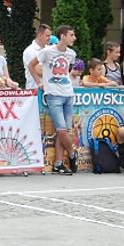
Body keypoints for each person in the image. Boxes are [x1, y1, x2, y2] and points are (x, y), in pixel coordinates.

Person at [28, 24, 79, 175]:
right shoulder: (47, 51)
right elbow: (31, 65)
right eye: (71, 35)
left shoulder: (71, 54)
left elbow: (66, 72)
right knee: (62, 129)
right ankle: (72, 153)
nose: (73, 38)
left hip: (68, 93)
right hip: (53, 93)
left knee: (64, 130)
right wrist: (38, 81)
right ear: (62, 36)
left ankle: (58, 162)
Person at [22, 23, 52, 90]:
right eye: (47, 36)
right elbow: (38, 70)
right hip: (34, 90)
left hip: (49, 89)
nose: (50, 38)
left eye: (50, 35)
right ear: (40, 35)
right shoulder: (30, 51)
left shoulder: (49, 49)